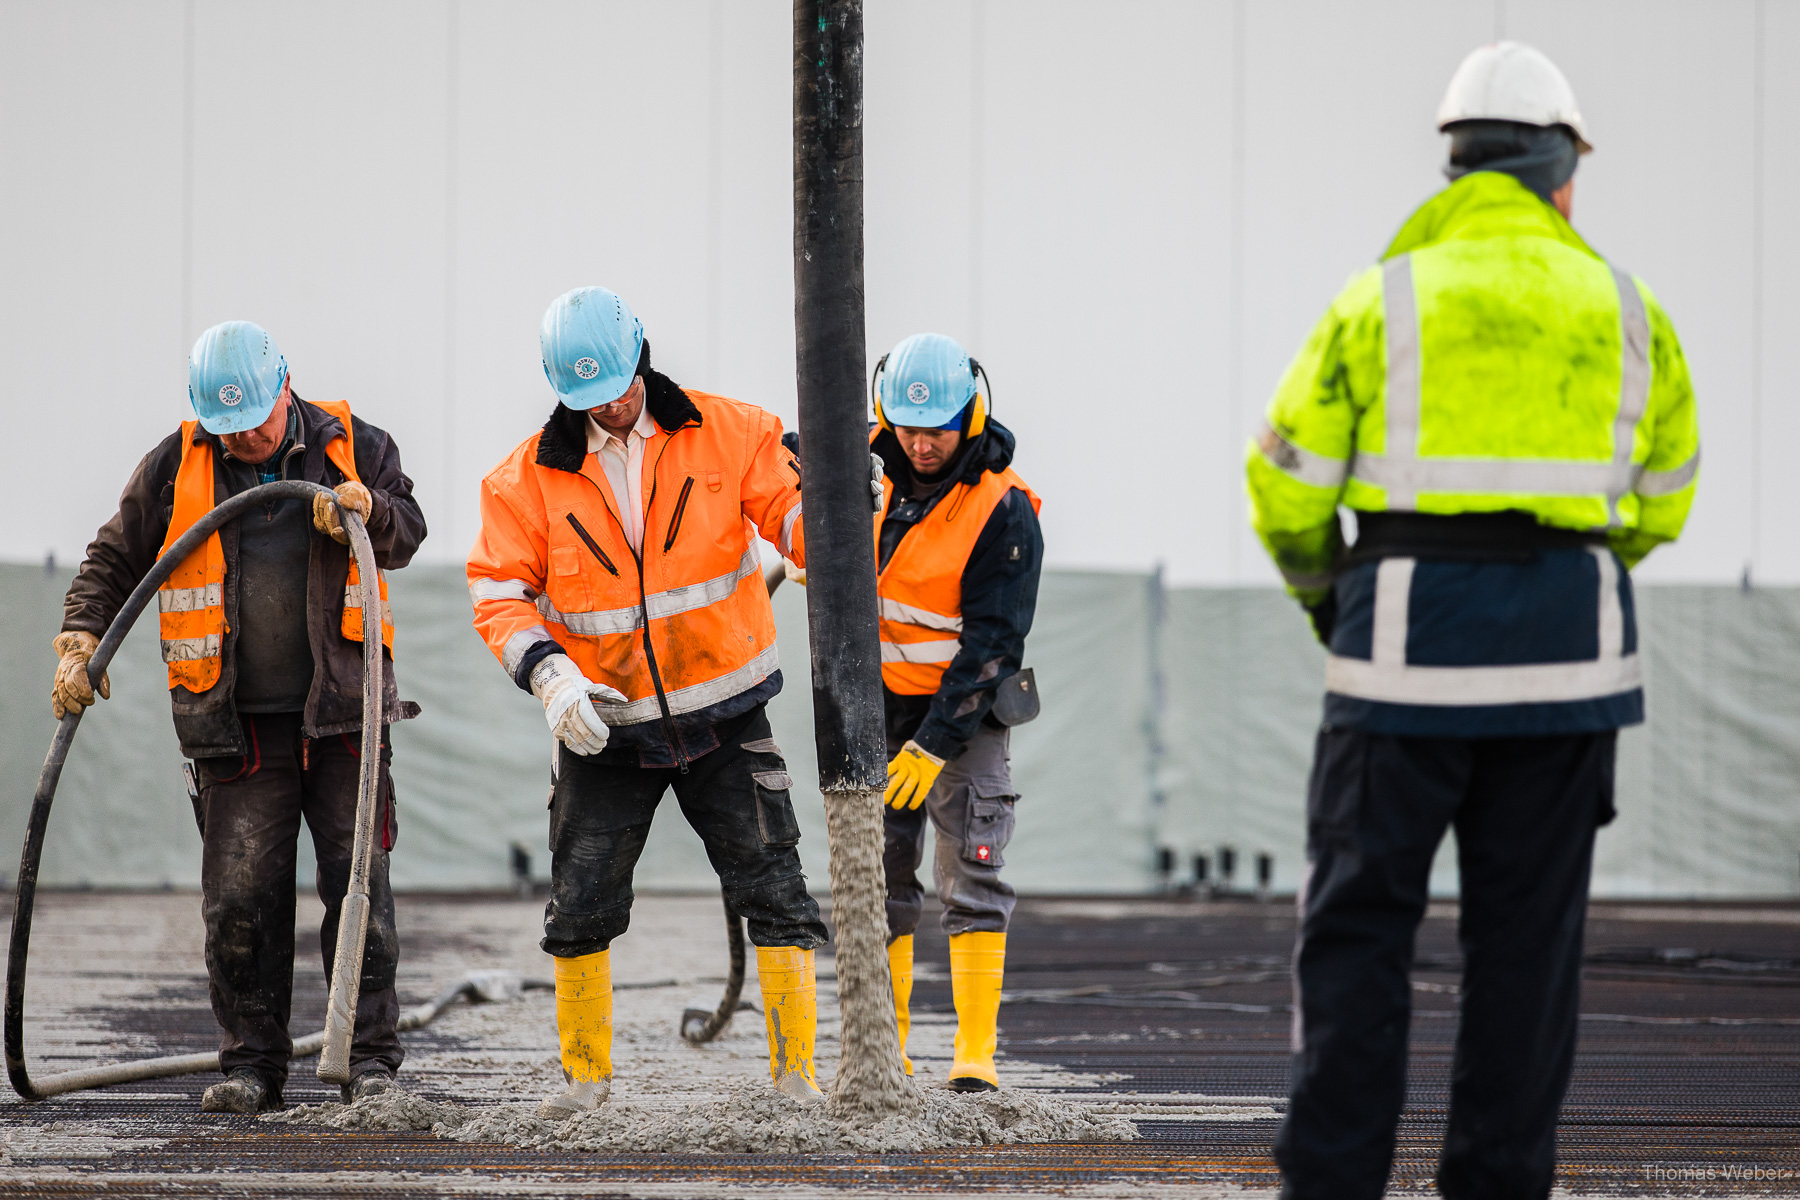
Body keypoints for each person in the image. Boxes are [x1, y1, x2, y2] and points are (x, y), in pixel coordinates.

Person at [1246, 42, 1700, 1200]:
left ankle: (1334, 1185)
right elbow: (1662, 499)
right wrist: (1564, 564)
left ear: (1453, 169)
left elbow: (1284, 485)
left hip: (1401, 653)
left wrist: (1328, 596)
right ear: (1563, 175)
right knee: (1527, 955)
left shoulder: (1380, 297)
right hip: (1568, 668)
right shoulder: (1627, 307)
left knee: (1356, 940)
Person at [467, 286, 834, 1116]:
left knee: (776, 890)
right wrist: (552, 677)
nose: (615, 408)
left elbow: (798, 521)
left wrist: (848, 506)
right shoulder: (522, 481)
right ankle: (584, 1088)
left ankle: (794, 1082)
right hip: (607, 730)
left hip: (728, 715)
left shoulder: (735, 432)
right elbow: (498, 593)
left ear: (642, 356)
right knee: (581, 902)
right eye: (592, 400)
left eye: (622, 388)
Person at [56, 321, 426, 1113]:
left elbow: (407, 529)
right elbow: (113, 558)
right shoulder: (174, 466)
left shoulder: (353, 444)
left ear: (285, 387)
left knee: (358, 889)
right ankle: (252, 1069)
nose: (246, 439)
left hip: (343, 718)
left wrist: (369, 513)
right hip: (236, 726)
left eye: (256, 420)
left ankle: (369, 1066)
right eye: (229, 428)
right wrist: (80, 636)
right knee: (238, 903)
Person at [869, 333, 1042, 1091]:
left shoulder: (1002, 511)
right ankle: (888, 1051)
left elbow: (993, 644)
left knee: (972, 877)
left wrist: (935, 744)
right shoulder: (864, 486)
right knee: (877, 879)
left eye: (936, 427)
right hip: (875, 712)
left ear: (972, 415)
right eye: (908, 428)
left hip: (963, 721)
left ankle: (975, 1054)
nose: (921, 442)